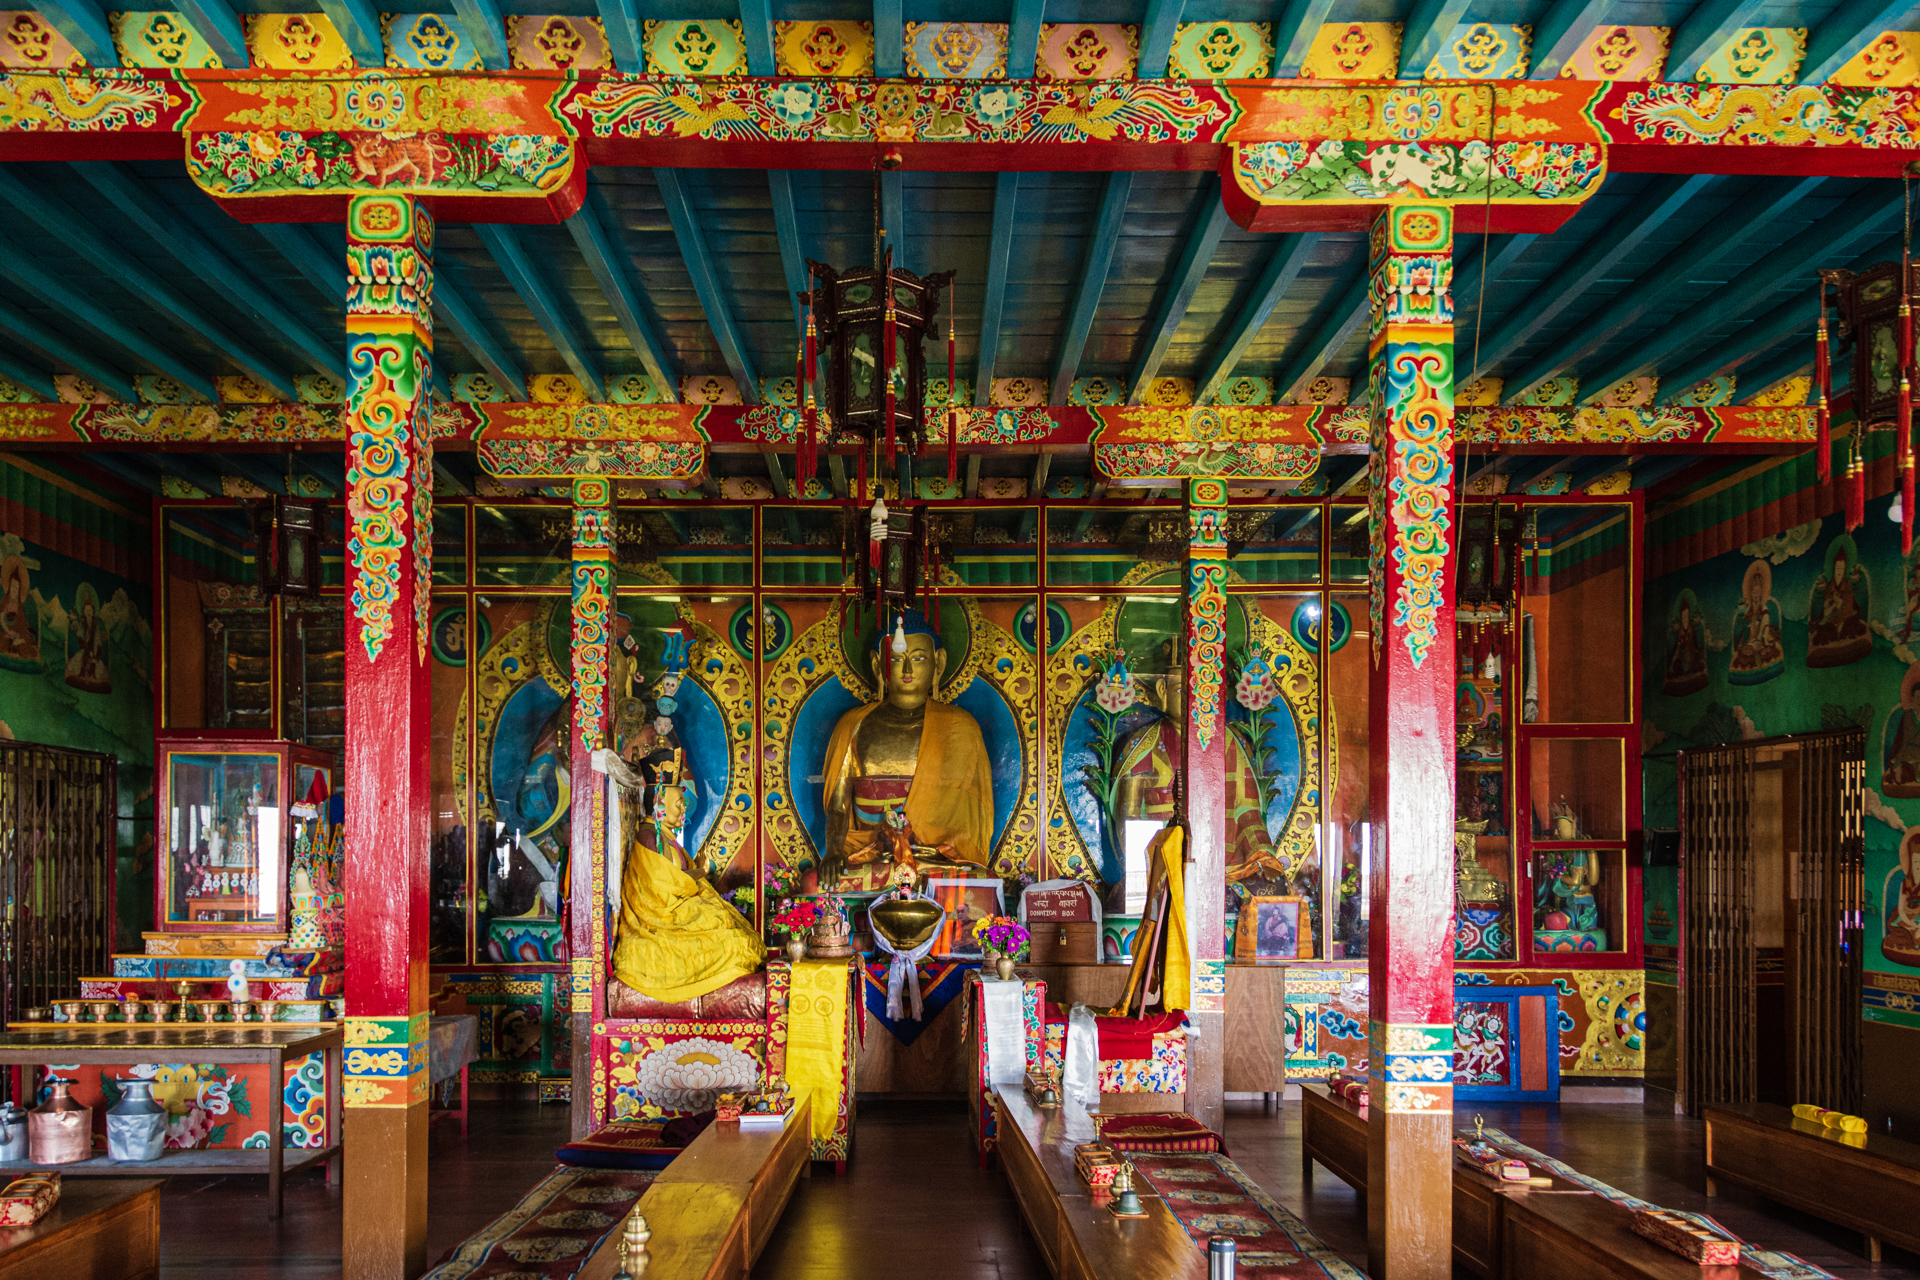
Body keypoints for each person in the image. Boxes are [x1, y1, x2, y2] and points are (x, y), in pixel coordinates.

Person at [820, 609, 994, 890]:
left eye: (919, 658)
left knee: (978, 880)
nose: (908, 670)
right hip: (873, 856)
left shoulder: (960, 727)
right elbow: (838, 807)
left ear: (939, 663)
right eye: (896, 659)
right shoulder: (853, 724)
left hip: (934, 859)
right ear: (878, 666)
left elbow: (968, 824)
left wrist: (922, 846)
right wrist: (833, 853)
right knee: (818, 882)